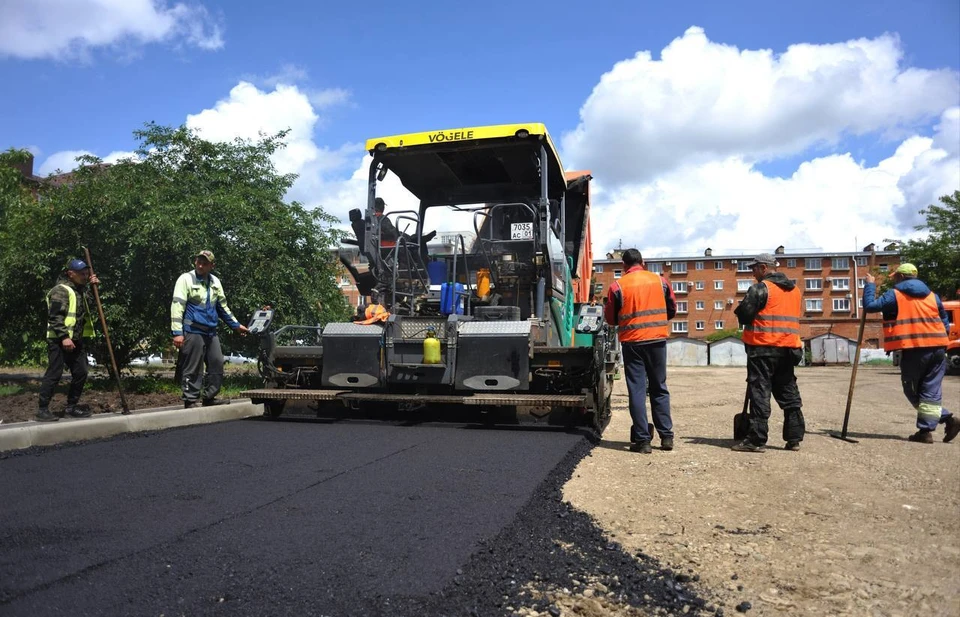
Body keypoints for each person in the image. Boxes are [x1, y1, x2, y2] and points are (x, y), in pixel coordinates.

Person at [864, 264, 958, 444]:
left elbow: (870, 306)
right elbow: (944, 321)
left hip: (915, 349)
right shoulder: (933, 296)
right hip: (938, 348)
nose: (894, 280)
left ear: (900, 276)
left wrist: (870, 285)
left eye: (894, 277)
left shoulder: (895, 294)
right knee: (930, 389)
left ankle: (945, 419)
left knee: (911, 389)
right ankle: (925, 431)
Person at [604, 248, 677, 453]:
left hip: (632, 343)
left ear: (624, 266)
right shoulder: (660, 281)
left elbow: (610, 319)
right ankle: (666, 437)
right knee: (659, 387)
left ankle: (643, 440)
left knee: (636, 390)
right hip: (656, 341)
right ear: (642, 262)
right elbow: (671, 309)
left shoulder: (617, 286)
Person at [732, 253, 805, 453]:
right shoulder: (795, 291)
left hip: (763, 349)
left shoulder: (761, 289)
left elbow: (744, 314)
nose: (752, 272)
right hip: (789, 348)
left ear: (764, 268)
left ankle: (756, 439)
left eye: (754, 268)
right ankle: (794, 438)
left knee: (760, 393)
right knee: (788, 393)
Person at [170, 250, 249, 409]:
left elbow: (222, 307)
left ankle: (209, 397)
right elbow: (177, 306)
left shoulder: (215, 282)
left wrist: (236, 325)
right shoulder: (186, 279)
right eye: (199, 261)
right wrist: (177, 333)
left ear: (212, 265)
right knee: (193, 366)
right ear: (195, 261)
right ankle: (190, 399)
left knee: (216, 362)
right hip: (193, 330)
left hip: (211, 332)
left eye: (205, 263)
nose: (200, 265)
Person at [37, 259, 100, 422]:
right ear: (70, 274)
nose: (85, 276)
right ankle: (42, 410)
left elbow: (90, 307)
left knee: (81, 372)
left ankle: (71, 407)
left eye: (86, 274)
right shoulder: (61, 290)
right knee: (54, 374)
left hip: (76, 340)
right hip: (59, 340)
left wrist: (94, 289)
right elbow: (55, 316)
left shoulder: (80, 290)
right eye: (81, 274)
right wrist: (64, 337)